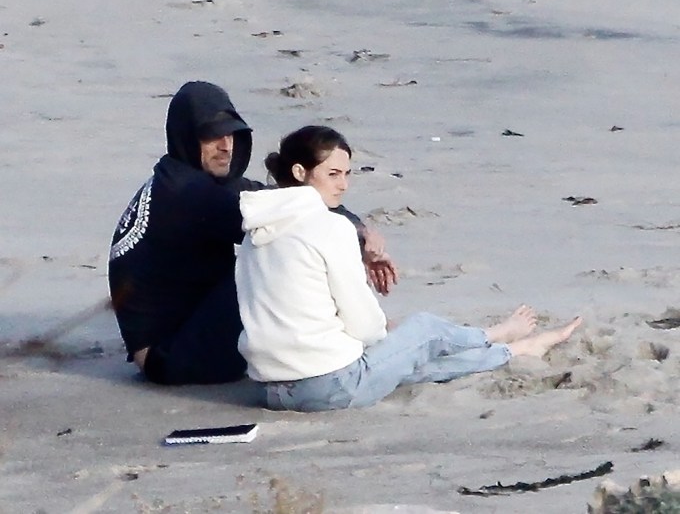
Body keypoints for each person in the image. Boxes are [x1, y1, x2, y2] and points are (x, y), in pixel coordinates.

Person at [235, 125, 582, 411]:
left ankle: (515, 350)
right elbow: (366, 327)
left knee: (410, 360)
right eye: (333, 174)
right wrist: (386, 330)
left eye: (347, 174)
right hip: (329, 387)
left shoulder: (255, 232)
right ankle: (493, 336)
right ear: (300, 172)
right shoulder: (330, 226)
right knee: (424, 329)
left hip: (270, 390)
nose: (343, 185)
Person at [108, 81, 394, 385]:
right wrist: (355, 238)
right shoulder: (187, 193)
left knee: (278, 245)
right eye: (212, 135)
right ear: (186, 136)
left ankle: (333, 336)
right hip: (167, 357)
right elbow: (295, 217)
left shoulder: (183, 175)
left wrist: (360, 232)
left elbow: (279, 199)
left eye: (230, 134)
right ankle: (336, 344)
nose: (226, 145)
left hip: (178, 332)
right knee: (279, 251)